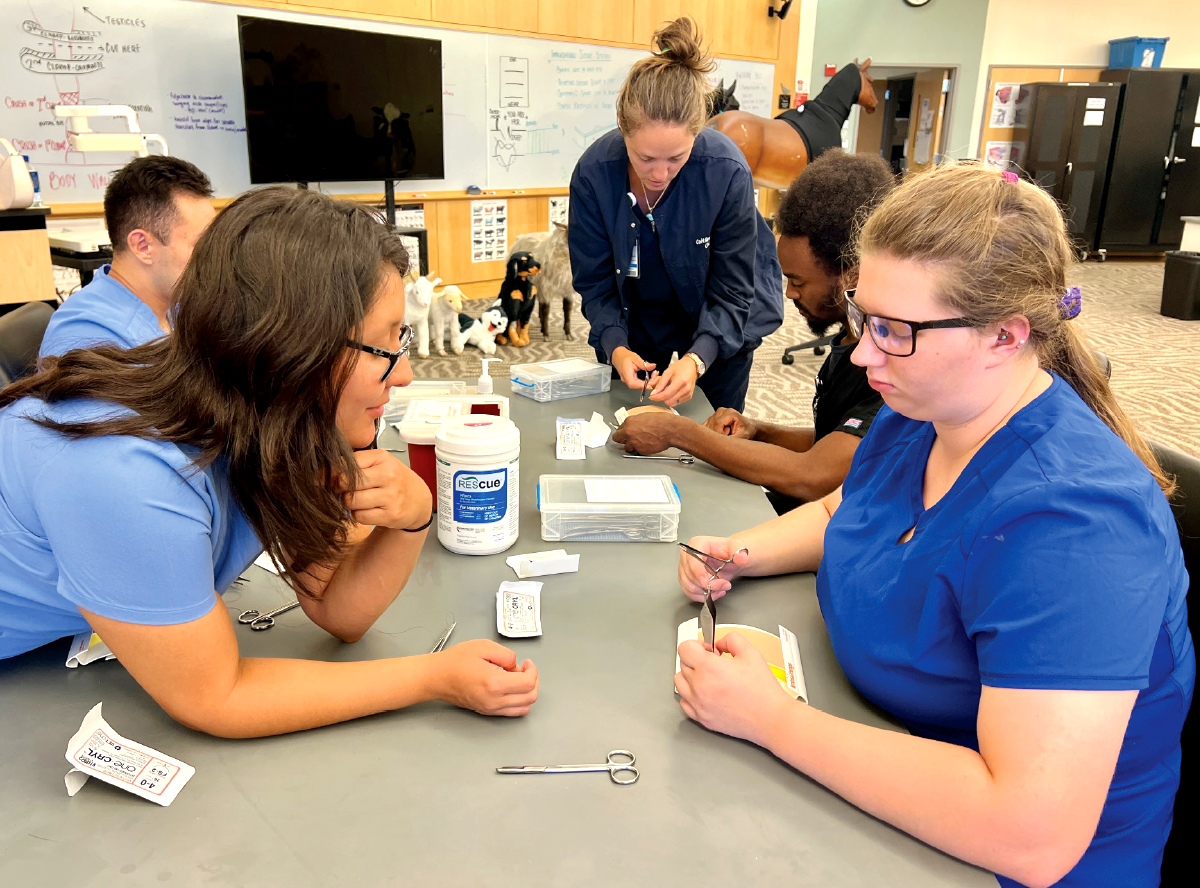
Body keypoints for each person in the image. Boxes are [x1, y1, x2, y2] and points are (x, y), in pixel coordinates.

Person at [674, 165, 1192, 888]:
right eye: (863, 316)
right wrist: (744, 552)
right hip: (885, 785)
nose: (861, 353)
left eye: (894, 330)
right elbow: (850, 512)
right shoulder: (925, 411)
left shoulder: (1076, 527)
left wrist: (772, 720)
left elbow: (1030, 834)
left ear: (1006, 336)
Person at [0, 187, 539, 738]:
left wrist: (413, 517)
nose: (402, 375)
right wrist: (430, 678)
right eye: (387, 346)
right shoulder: (124, 473)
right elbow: (216, 697)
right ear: (295, 350)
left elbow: (337, 610)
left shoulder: (279, 412)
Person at [613, 150, 893, 514]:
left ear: (850, 272)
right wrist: (759, 430)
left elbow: (814, 476)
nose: (789, 293)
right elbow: (835, 443)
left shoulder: (892, 366)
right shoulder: (848, 340)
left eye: (797, 281)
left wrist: (677, 433)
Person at [568, 16, 783, 412]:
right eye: (645, 157)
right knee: (629, 423)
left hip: (720, 318)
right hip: (638, 316)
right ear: (622, 128)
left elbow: (733, 289)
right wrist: (615, 345)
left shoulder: (725, 171)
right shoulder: (594, 174)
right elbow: (595, 282)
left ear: (698, 134)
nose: (659, 174)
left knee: (714, 432)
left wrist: (698, 357)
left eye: (676, 158)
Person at [40, 155, 216, 358]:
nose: (211, 256)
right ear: (142, 246)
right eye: (200, 244)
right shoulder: (89, 341)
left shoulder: (175, 305)